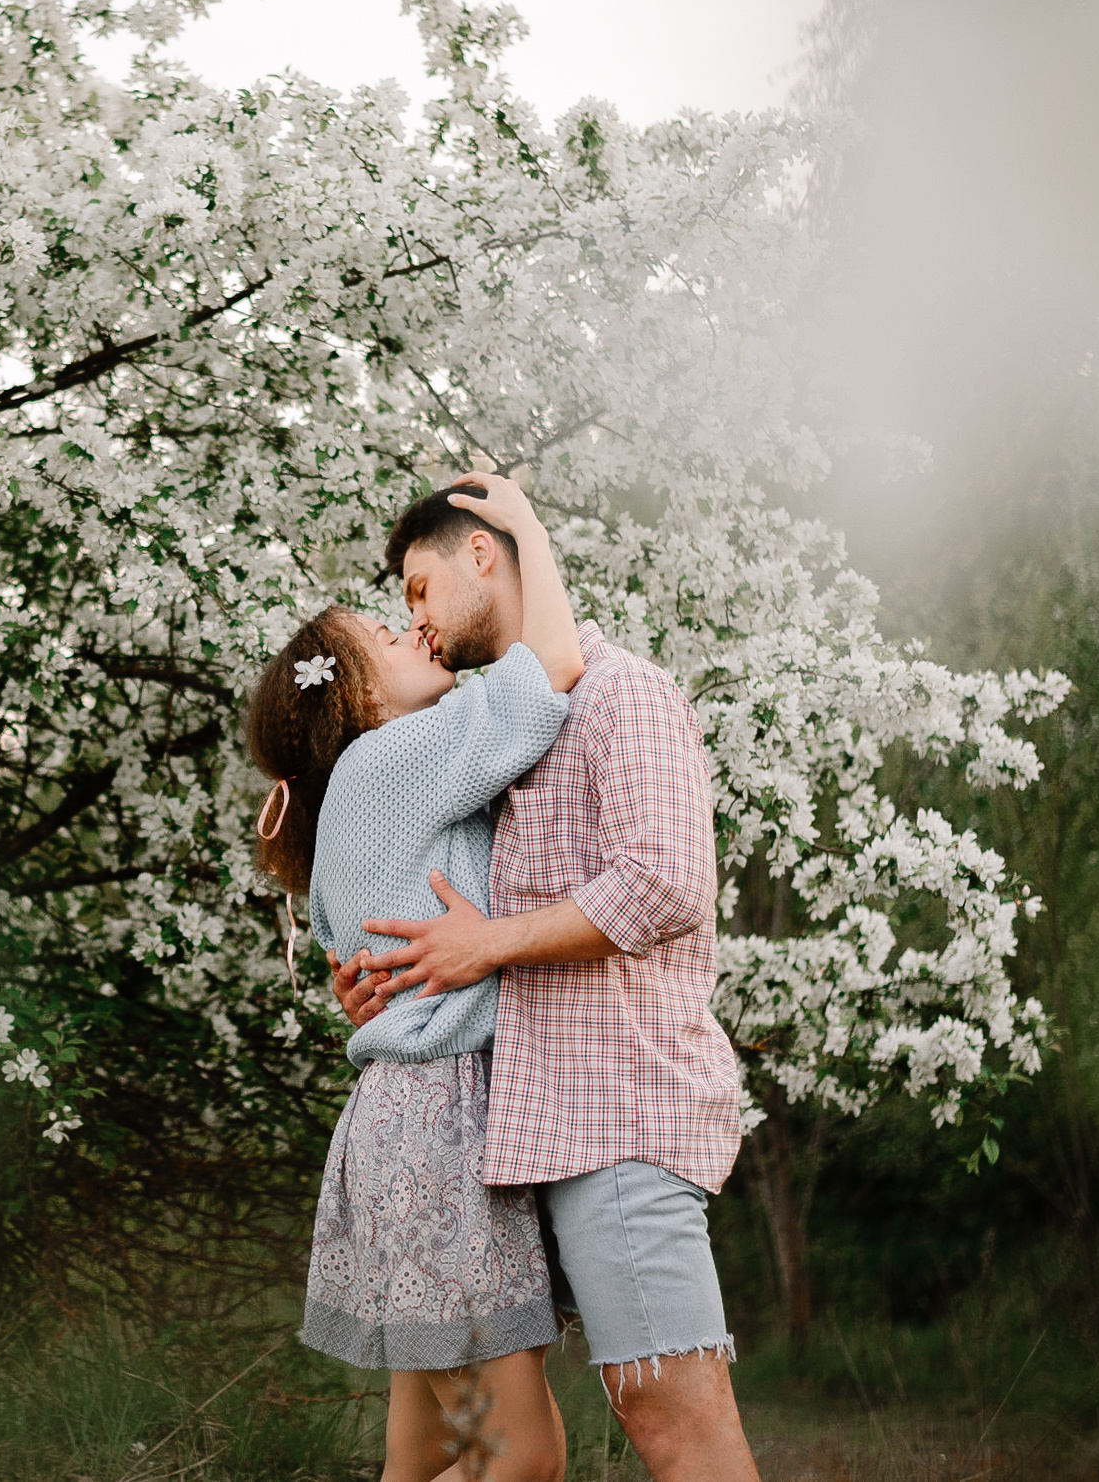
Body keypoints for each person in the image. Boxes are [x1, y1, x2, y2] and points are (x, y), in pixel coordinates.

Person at [336, 477, 762, 1482]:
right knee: (468, 1442)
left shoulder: (620, 694)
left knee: (669, 1415)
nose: (416, 619)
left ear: (482, 555)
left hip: (619, 1117)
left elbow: (664, 884)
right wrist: (380, 988)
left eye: (418, 585)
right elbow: (418, 893)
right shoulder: (492, 730)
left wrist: (485, 946)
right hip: (510, 1142)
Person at [245, 477, 584, 1482]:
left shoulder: (360, 791)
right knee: (520, 1459)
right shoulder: (393, 758)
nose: (415, 634)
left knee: (427, 1455)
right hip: (435, 1137)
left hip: (396, 1131)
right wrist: (516, 525)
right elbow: (554, 663)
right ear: (356, 700)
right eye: (386, 639)